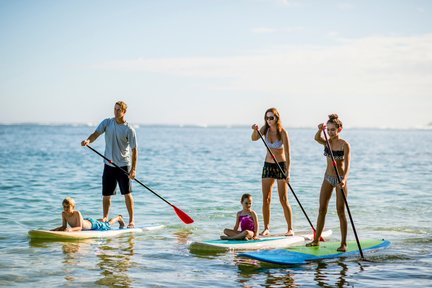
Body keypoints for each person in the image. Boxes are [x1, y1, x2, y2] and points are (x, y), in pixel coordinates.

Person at [81, 101, 138, 228]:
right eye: (115, 109)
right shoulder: (107, 123)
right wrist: (88, 140)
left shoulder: (129, 129)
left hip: (123, 165)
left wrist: (133, 170)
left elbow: (134, 150)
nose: (116, 112)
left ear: (124, 112)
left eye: (119, 110)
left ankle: (131, 220)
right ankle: (105, 217)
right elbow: (96, 134)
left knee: (127, 194)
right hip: (108, 165)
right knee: (106, 195)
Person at [306, 114, 351, 252]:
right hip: (327, 178)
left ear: (339, 129)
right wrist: (320, 129)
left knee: (340, 211)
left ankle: (343, 244)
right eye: (329, 129)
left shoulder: (344, 144)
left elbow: (348, 165)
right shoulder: (327, 142)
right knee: (321, 209)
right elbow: (316, 138)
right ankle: (316, 240)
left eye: (333, 130)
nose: (330, 132)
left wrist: (344, 179)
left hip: (340, 180)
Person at [251, 107, 294, 236]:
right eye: (267, 118)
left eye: (271, 118)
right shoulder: (265, 130)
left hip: (281, 166)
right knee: (266, 198)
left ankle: (290, 228)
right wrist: (255, 130)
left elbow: (288, 153)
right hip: (268, 166)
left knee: (283, 198)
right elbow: (254, 138)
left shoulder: (283, 133)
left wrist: (288, 172)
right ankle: (266, 228)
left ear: (276, 118)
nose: (269, 120)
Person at [51, 197, 125, 231]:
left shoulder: (77, 213)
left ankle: (118, 218)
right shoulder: (64, 214)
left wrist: (70, 230)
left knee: (107, 225)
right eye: (64, 207)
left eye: (68, 207)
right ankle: (102, 219)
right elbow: (64, 226)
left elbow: (80, 228)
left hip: (92, 224)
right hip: (86, 221)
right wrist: (54, 230)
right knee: (102, 221)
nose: (65, 208)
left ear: (73, 207)